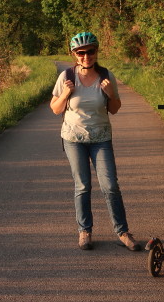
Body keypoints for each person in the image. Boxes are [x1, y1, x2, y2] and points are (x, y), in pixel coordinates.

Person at [50, 31, 140, 251]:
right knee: (82, 186)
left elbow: (115, 109)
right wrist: (65, 95)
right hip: (74, 139)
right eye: (80, 52)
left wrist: (111, 93)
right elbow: (55, 109)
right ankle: (85, 231)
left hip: (101, 138)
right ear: (74, 54)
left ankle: (123, 232)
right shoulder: (67, 77)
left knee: (110, 186)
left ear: (96, 51)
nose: (86, 56)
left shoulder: (106, 76)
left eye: (90, 51)